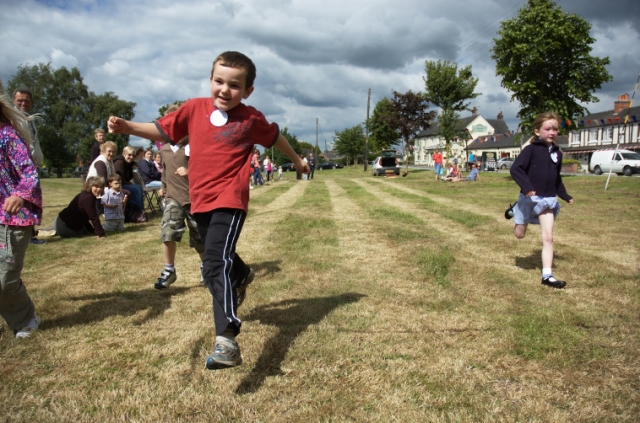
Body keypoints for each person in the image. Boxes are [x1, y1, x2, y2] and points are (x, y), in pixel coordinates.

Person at [107, 50, 308, 370]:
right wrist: (126, 126)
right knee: (218, 255)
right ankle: (241, 273)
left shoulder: (250, 118)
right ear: (210, 80)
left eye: (234, 85)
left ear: (247, 91)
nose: (224, 90)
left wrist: (297, 161)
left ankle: (227, 338)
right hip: (198, 200)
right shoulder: (193, 109)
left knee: (214, 263)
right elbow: (162, 130)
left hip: (230, 199)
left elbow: (275, 136)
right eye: (219, 81)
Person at [154, 104, 254, 295]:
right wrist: (163, 187)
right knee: (168, 230)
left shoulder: (194, 146)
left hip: (194, 199)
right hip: (173, 198)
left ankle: (205, 269)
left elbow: (208, 169)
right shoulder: (165, 150)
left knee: (201, 239)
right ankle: (169, 269)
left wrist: (189, 171)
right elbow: (165, 172)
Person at [506, 112, 573, 289]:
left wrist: (564, 195)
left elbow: (556, 178)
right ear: (537, 131)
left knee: (548, 237)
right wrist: (527, 187)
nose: (552, 132)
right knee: (519, 234)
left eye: (555, 129)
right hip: (529, 198)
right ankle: (515, 209)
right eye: (548, 129)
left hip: (548, 200)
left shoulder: (557, 153)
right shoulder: (530, 150)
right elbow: (516, 169)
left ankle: (547, 275)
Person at [0, 88, 42, 338]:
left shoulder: (7, 135)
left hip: (13, 217)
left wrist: (19, 194)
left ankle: (26, 317)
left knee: (5, 278)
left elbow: (29, 172)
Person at [12, 88, 45, 245]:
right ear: (13, 101)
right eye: (20, 100)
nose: (23, 103)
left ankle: (29, 235)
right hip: (19, 168)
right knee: (23, 202)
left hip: (31, 166)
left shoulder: (29, 119)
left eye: (26, 100)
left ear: (31, 103)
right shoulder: (11, 118)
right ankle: (25, 237)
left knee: (31, 202)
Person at [38, 176, 107, 239]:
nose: (99, 189)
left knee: (84, 230)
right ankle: (53, 232)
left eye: (101, 187)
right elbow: (93, 217)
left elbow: (84, 217)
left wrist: (92, 230)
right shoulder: (88, 198)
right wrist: (101, 234)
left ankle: (42, 232)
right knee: (82, 232)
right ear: (90, 186)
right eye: (96, 187)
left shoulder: (86, 195)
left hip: (60, 221)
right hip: (65, 225)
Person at [113, 145, 146, 222]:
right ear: (124, 154)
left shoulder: (129, 164)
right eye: (129, 155)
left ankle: (141, 211)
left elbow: (128, 178)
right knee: (136, 190)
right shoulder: (119, 162)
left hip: (124, 183)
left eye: (133, 156)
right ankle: (137, 213)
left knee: (139, 188)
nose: (131, 157)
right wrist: (128, 184)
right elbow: (119, 179)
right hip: (117, 185)